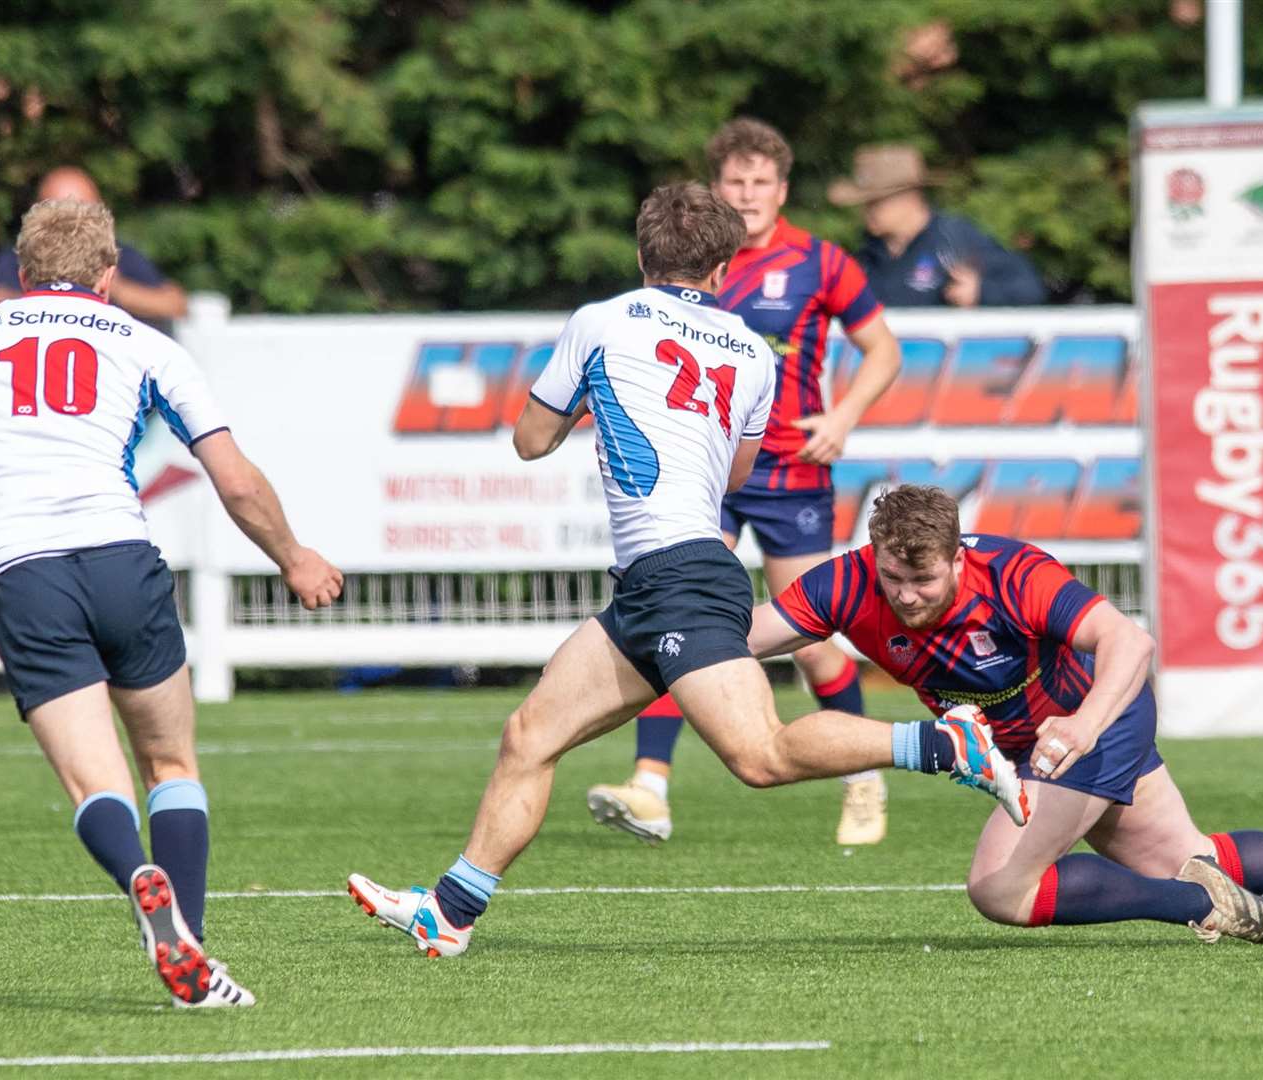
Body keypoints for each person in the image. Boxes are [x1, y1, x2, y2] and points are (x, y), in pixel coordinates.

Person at [346, 184, 1026, 959]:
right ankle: (452, 910)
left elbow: (530, 440)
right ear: (725, 266)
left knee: (759, 757)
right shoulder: (748, 350)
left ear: (641, 256)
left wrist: (598, 406)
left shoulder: (600, 321)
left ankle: (944, 747)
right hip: (659, 579)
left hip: (681, 577)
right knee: (528, 736)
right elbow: (734, 475)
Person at [0, 198, 344, 1006]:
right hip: (123, 564)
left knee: (96, 785)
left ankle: (137, 876)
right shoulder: (145, 343)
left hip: (22, 575)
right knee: (170, 762)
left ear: (20, 275)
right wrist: (293, 555)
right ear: (108, 276)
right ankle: (190, 954)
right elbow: (232, 476)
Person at [750, 484, 1263, 943]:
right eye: (892, 578)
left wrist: (1085, 724)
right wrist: (675, 630)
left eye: (922, 578)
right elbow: (753, 636)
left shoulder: (1011, 573)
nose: (904, 595)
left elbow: (1129, 640)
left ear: (956, 558)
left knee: (1000, 889)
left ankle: (1204, 906)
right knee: (1187, 856)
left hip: (1089, 722)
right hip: (1045, 745)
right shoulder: (848, 583)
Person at [587, 118, 905, 848]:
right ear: (715, 190)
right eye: (735, 182)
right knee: (680, 621)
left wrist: (844, 414)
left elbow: (882, 349)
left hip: (792, 471)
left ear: (782, 189)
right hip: (710, 475)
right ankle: (650, 787)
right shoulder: (693, 264)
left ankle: (862, 778)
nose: (748, 193)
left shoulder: (821, 262)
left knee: (814, 640)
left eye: (761, 182)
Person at [830, 145, 1046, 308]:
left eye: (875, 202)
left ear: (910, 197)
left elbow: (1030, 290)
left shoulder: (955, 239)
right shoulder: (865, 258)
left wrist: (981, 292)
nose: (866, 211)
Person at [0, 167, 187, 327]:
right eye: (59, 212)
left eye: (82, 210)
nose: (71, 223)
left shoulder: (117, 254)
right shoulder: (21, 256)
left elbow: (174, 304)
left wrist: (116, 288)